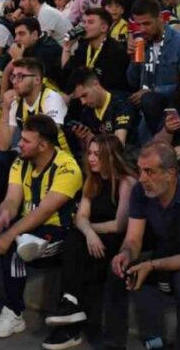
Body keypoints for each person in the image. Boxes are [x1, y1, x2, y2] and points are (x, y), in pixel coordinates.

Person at [106, 140, 180, 350]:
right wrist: (126, 254)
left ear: (170, 173)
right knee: (118, 269)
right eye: (140, 170)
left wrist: (151, 265)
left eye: (149, 172)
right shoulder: (140, 192)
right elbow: (133, 239)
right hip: (168, 253)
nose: (142, 178)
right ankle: (113, 344)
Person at [0, 114, 83, 339]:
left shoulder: (67, 167)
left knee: (14, 248)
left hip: (59, 234)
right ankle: (14, 313)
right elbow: (12, 199)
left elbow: (44, 211)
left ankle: (14, 312)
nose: (19, 144)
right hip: (30, 229)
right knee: (12, 238)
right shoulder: (20, 162)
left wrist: (9, 234)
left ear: (44, 145)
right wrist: (5, 214)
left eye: (26, 141)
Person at [42, 135, 135, 348]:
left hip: (118, 241)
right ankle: (70, 305)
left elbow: (119, 225)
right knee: (74, 238)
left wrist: (90, 230)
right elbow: (80, 217)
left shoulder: (126, 182)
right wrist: (89, 233)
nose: (91, 158)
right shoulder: (92, 180)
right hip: (93, 240)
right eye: (90, 153)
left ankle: (71, 318)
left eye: (97, 154)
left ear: (111, 157)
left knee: (80, 248)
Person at [126, 0, 180, 142]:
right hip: (145, 107)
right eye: (138, 25)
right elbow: (132, 82)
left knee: (149, 100)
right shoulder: (142, 43)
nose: (142, 29)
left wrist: (154, 91)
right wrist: (133, 60)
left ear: (161, 18)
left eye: (147, 23)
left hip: (175, 105)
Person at [62, 7, 129, 94]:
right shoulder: (84, 47)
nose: (85, 26)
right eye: (84, 22)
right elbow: (67, 72)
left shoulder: (116, 51)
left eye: (90, 22)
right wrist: (67, 48)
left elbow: (112, 86)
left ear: (104, 28)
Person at [69, 68, 134, 149]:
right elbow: (87, 151)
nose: (83, 102)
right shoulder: (86, 113)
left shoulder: (120, 104)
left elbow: (119, 146)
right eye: (79, 98)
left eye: (84, 95)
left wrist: (97, 143)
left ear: (95, 84)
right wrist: (84, 139)